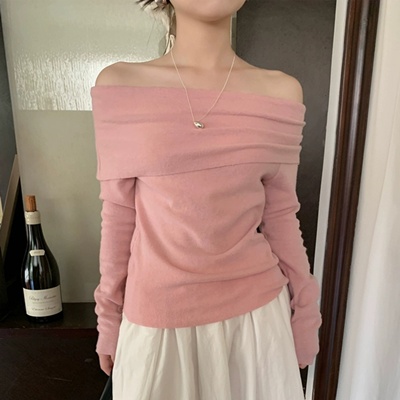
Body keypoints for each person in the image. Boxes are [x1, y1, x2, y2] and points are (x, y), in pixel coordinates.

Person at [90, 0, 322, 399]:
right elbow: (119, 214)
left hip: (257, 324)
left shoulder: (282, 92)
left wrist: (306, 312)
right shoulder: (120, 86)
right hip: (157, 325)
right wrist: (108, 318)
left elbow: (282, 214)